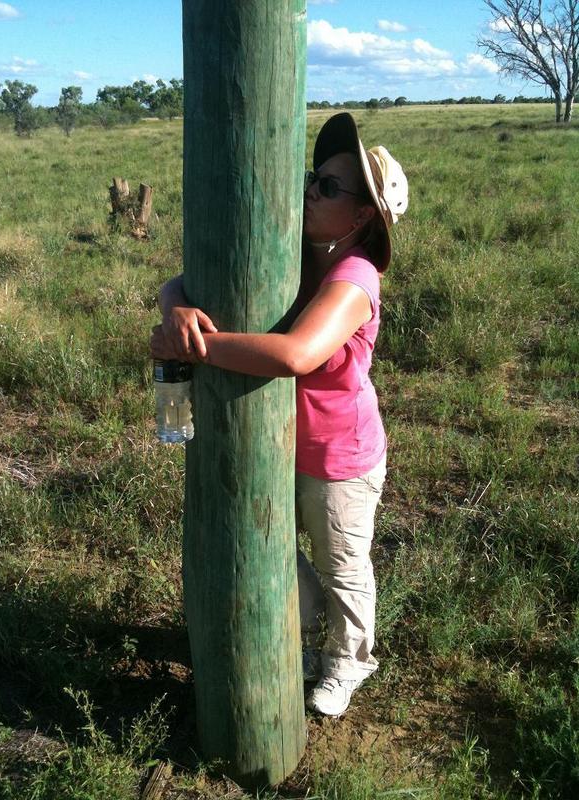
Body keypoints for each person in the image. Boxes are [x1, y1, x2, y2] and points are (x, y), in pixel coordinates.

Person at [150, 112, 408, 716]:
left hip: (338, 458)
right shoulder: (290, 251)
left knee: (344, 567)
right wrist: (177, 310)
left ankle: (348, 663)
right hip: (277, 443)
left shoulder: (355, 276)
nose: (311, 190)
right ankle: (298, 619)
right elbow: (179, 283)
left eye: (329, 187)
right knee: (260, 542)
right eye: (313, 178)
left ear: (363, 215)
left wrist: (195, 345)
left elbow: (297, 355)